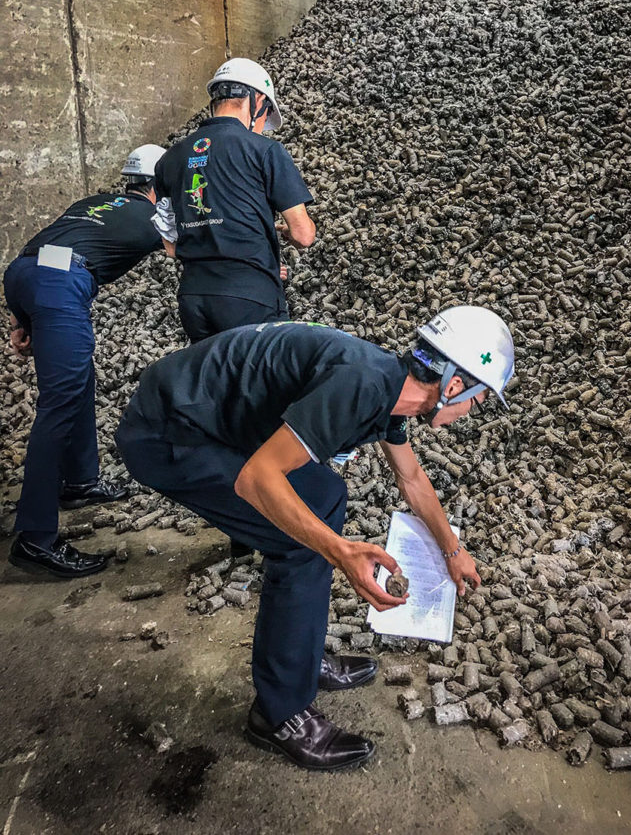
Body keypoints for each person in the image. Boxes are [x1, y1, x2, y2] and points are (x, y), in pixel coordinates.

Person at [115, 305, 515, 771]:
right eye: (480, 399)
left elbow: (412, 479)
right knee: (300, 543)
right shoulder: (361, 386)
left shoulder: (387, 385)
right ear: (452, 386)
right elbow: (256, 479)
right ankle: (279, 713)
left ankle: (300, 658)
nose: (475, 410)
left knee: (324, 495)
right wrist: (340, 552)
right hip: (169, 433)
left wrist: (453, 550)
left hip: (211, 418)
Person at [4, 144, 166, 579]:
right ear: (161, 184)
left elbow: (45, 250)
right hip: (59, 285)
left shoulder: (92, 203)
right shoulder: (156, 216)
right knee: (58, 404)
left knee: (77, 379)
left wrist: (25, 318)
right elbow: (194, 251)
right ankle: (35, 538)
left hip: (23, 274)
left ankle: (79, 481)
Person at [152, 57, 316, 343]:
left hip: (194, 298)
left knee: (216, 379)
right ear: (257, 100)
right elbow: (304, 235)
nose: (262, 126)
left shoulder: (170, 159)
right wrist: (266, 251)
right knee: (261, 381)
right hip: (250, 298)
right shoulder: (264, 151)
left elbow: (169, 243)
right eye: (265, 117)